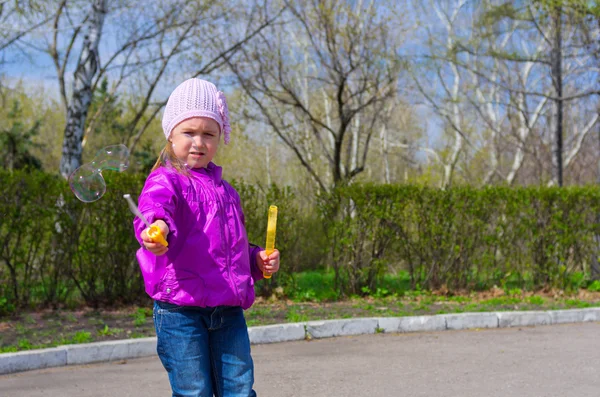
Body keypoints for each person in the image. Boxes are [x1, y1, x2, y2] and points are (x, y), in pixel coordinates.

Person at [133, 77, 280, 397]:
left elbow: (232, 247)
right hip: (180, 310)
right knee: (193, 391)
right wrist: (155, 229)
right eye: (189, 132)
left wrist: (256, 258)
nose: (198, 142)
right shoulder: (166, 180)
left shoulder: (227, 192)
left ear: (219, 139)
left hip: (227, 310)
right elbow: (156, 209)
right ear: (170, 134)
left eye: (208, 133)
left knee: (240, 389)